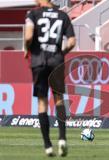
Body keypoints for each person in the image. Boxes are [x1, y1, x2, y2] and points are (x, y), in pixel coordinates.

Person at [24, 0, 76, 157]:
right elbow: (72, 42)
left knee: (42, 102)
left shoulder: (32, 14)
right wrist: (61, 54)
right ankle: (62, 139)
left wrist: (27, 49)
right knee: (59, 99)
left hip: (39, 61)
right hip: (56, 61)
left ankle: (47, 145)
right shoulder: (63, 15)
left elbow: (28, 37)